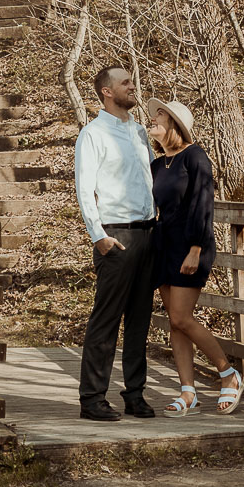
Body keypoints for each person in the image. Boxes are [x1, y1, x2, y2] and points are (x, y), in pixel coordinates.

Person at [145, 97, 244, 417]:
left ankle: (228, 374)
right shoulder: (158, 164)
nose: (152, 118)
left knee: (181, 317)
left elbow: (204, 203)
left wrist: (196, 248)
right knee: (175, 324)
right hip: (163, 247)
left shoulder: (195, 156)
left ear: (174, 123)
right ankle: (188, 391)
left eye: (159, 114)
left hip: (191, 246)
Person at [74, 65, 158, 421]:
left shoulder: (140, 132)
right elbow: (84, 188)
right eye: (125, 83)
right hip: (116, 235)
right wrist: (99, 237)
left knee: (140, 319)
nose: (132, 86)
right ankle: (92, 399)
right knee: (106, 320)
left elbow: (152, 181)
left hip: (147, 233)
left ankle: (134, 395)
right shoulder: (92, 135)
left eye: (131, 81)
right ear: (107, 92)